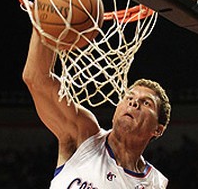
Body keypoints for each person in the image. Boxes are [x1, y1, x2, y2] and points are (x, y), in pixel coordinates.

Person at [23, 28, 172, 189]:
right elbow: (36, 80)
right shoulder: (85, 136)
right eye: (129, 97)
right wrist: (43, 23)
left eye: (146, 103)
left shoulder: (155, 183)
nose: (134, 103)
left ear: (158, 129)